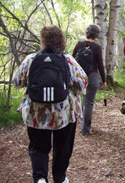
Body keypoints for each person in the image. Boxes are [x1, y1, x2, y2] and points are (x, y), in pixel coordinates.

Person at [13, 26, 87, 183]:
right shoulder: (68, 60)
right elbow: (82, 85)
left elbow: (17, 82)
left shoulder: (31, 59)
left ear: (43, 41)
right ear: (61, 41)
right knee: (63, 147)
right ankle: (60, 178)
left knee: (38, 147)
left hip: (36, 113)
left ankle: (40, 178)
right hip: (64, 114)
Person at [72, 24, 107, 136]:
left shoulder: (79, 44)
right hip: (92, 77)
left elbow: (71, 61)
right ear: (96, 35)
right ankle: (85, 129)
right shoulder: (96, 48)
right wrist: (104, 80)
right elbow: (100, 65)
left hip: (78, 78)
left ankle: (80, 125)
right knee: (88, 103)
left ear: (86, 33)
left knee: (81, 101)